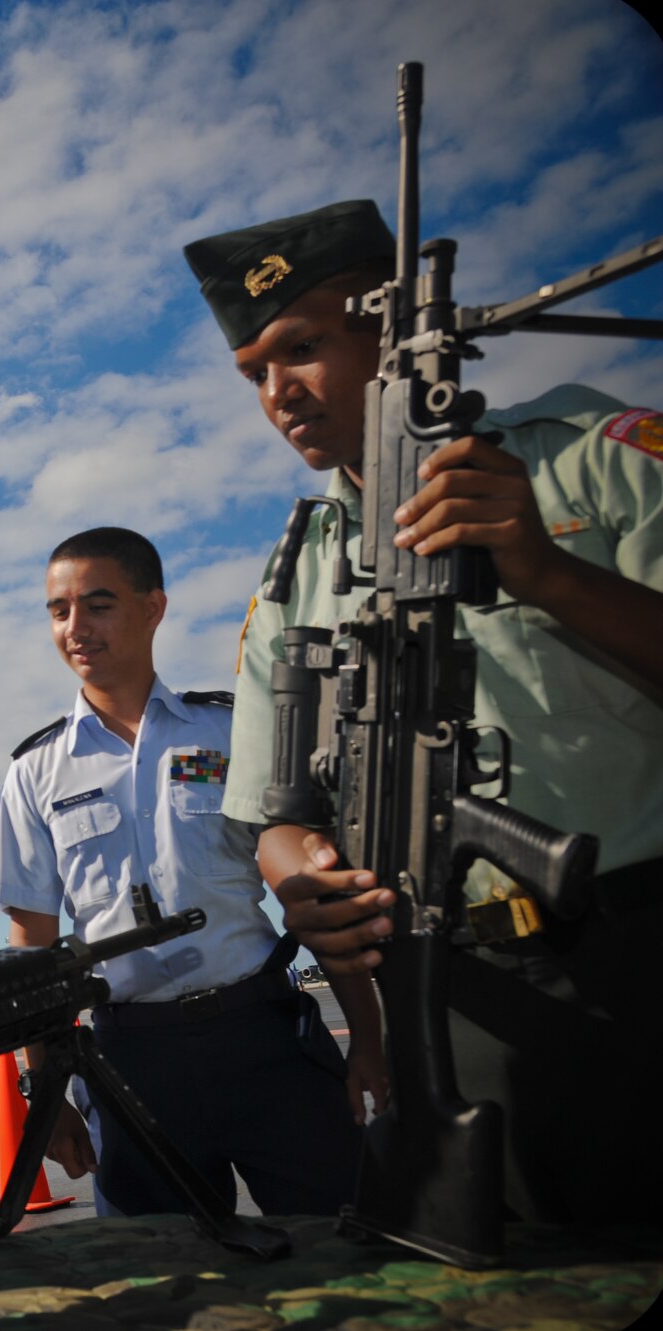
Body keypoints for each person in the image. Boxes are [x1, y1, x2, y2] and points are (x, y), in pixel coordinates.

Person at [185, 200, 663, 1224]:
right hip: (441, 1001)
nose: (276, 393)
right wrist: (299, 879)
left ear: (393, 332)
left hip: (631, 964)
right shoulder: (292, 577)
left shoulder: (589, 460)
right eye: (253, 373)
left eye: (300, 348)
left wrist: (542, 572)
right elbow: (273, 812)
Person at [0, 527, 382, 1218]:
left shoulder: (229, 733)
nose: (75, 627)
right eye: (58, 610)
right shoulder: (35, 773)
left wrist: (368, 1042)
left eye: (98, 604)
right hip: (131, 1066)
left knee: (348, 1254)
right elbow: (33, 949)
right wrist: (42, 1092)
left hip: (266, 1042)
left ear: (153, 607)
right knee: (166, 1289)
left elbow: (313, 890)